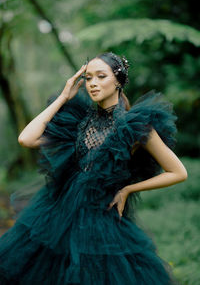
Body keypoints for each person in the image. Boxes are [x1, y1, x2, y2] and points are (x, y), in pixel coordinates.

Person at [0, 51, 187, 284]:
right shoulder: (78, 120)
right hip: (60, 212)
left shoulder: (135, 125)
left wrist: (128, 189)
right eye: (88, 78)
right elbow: (26, 139)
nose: (93, 83)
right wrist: (63, 97)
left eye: (101, 76)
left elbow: (178, 172)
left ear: (118, 81)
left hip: (102, 217)